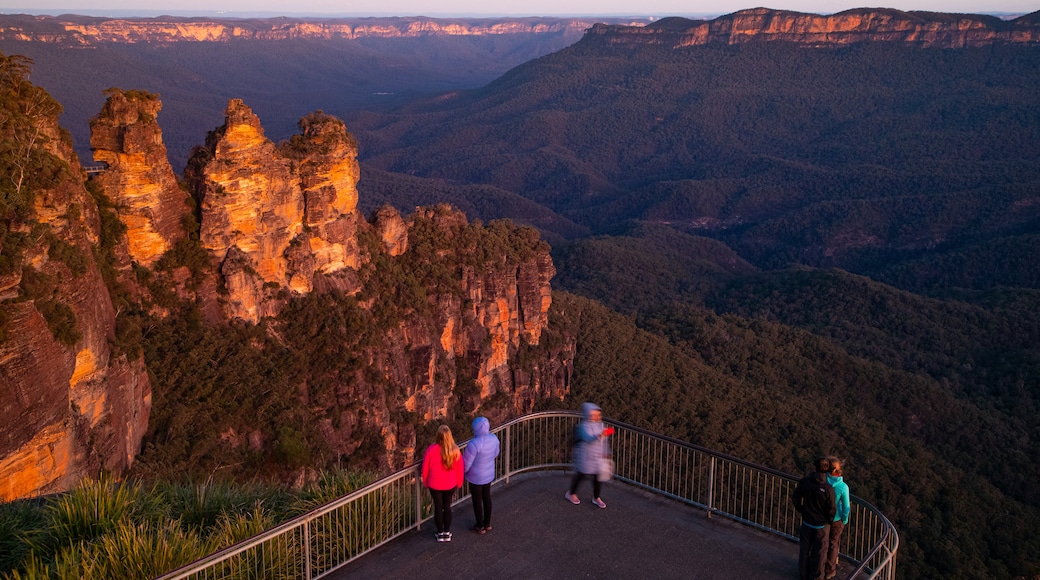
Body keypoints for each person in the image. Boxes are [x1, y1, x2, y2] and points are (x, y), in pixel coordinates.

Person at [792, 457, 837, 580]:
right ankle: (816, 577)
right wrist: (829, 521)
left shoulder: (805, 482)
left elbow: (795, 497)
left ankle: (803, 574)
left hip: (807, 522)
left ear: (814, 468)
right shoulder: (828, 489)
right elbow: (831, 509)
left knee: (804, 550)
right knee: (820, 553)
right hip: (821, 526)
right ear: (828, 471)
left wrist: (802, 510)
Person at [565, 402, 614, 509]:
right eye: (593, 415)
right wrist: (600, 435)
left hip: (597, 457)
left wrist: (607, 452)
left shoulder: (601, 425)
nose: (596, 417)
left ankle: (596, 497)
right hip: (585, 456)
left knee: (598, 478)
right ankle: (571, 493)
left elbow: (605, 442)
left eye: (597, 414)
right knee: (581, 475)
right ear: (588, 414)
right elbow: (587, 439)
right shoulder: (582, 427)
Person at [422, 425, 465, 542]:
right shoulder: (455, 451)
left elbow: (425, 468)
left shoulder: (431, 450)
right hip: (450, 484)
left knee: (438, 507)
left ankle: (440, 533)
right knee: (447, 507)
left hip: (434, 484)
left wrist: (425, 482)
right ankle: (447, 532)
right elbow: (460, 469)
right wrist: (459, 483)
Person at [463, 416, 500, 534]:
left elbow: (466, 464)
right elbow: (496, 453)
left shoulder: (473, 444)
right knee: (487, 497)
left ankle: (480, 526)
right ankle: (487, 523)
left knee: (477, 500)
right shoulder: (494, 438)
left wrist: (462, 473)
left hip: (475, 477)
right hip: (488, 474)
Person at [825, 457, 851, 580]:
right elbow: (846, 507)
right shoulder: (842, 486)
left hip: (821, 518)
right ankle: (829, 571)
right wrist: (844, 520)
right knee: (833, 544)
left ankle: (816, 567)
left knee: (821, 543)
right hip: (836, 520)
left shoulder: (822, 480)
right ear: (836, 469)